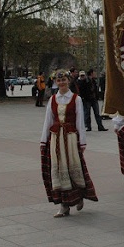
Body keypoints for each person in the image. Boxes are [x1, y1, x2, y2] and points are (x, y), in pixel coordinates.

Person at [40, 69, 97, 217]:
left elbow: (80, 121)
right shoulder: (53, 99)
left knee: (73, 167)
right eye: (59, 81)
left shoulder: (76, 99)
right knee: (59, 169)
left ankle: (79, 196)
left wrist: (82, 142)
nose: (61, 83)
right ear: (55, 82)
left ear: (68, 81)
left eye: (64, 80)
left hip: (71, 138)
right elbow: (48, 120)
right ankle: (63, 205)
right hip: (56, 138)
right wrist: (43, 140)